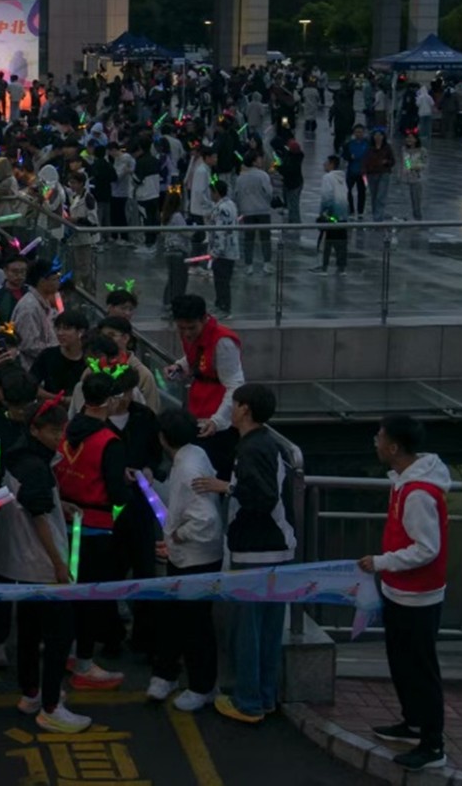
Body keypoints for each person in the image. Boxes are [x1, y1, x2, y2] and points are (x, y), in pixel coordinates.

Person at [191, 384, 296, 725]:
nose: (230, 411)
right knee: (268, 630)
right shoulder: (267, 443)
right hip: (277, 549)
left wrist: (226, 486)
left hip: (256, 551)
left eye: (233, 405)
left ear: (245, 409)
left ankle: (248, 702)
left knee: (248, 631)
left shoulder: (252, 448)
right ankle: (263, 697)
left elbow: (262, 497)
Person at [360, 415, 451, 773]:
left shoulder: (418, 493)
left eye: (379, 437)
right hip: (400, 590)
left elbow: (426, 548)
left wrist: (381, 562)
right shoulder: (403, 482)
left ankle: (433, 744)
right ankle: (412, 723)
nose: (376, 441)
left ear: (394, 447)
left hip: (418, 596)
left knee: (421, 668)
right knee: (402, 661)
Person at [0, 398, 93, 734]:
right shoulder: (36, 467)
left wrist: (57, 503)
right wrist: (59, 564)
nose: (59, 437)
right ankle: (52, 707)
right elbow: (38, 516)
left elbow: (31, 503)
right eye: (53, 431)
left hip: (21, 565)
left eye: (61, 430)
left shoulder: (18, 457)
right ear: (35, 429)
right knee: (59, 636)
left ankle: (31, 694)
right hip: (42, 565)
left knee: (28, 632)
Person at [54, 374, 132, 690]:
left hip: (62, 523)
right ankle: (84, 665)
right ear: (110, 401)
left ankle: (69, 651)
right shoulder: (109, 441)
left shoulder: (62, 430)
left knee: (67, 596)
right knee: (88, 599)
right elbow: (117, 494)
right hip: (95, 528)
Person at [147, 409, 222, 712]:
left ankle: (202, 686)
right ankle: (167, 674)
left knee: (195, 625)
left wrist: (178, 535)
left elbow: (206, 519)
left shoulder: (188, 466)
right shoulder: (195, 454)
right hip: (190, 557)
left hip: (195, 559)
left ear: (163, 438)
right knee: (176, 618)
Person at [167, 294, 243, 480]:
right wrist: (180, 367)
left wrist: (217, 420)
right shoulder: (195, 335)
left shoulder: (223, 342)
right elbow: (196, 357)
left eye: (191, 328)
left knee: (213, 471)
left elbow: (235, 384)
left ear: (204, 319)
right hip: (199, 407)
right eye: (181, 328)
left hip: (218, 416)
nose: (187, 333)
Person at [313, 155, 350, 276]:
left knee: (327, 241)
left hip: (331, 215)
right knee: (341, 243)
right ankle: (341, 268)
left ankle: (324, 267)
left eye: (326, 162)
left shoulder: (328, 177)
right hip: (342, 216)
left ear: (332, 164)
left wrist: (323, 213)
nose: (324, 164)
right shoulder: (342, 178)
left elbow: (327, 196)